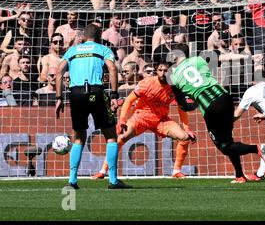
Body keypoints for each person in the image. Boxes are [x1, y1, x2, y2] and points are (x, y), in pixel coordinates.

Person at [169, 43, 265, 183]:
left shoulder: (173, 77)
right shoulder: (198, 59)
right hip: (225, 98)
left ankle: (258, 149)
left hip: (211, 108)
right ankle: (239, 175)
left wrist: (196, 103)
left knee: (224, 146)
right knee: (228, 140)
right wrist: (250, 57)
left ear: (175, 55)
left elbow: (183, 105)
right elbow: (225, 57)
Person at [55, 23, 131, 190]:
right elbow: (111, 67)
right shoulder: (103, 49)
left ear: (83, 36)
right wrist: (114, 94)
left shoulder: (73, 50)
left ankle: (72, 180)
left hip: (75, 94)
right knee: (111, 135)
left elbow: (59, 71)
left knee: (78, 137)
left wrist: (59, 97)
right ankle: (112, 180)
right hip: (96, 91)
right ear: (99, 36)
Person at [93, 60, 197, 179]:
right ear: (156, 71)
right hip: (140, 117)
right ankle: (103, 171)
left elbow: (182, 107)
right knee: (120, 138)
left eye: (166, 71)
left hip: (161, 120)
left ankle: (176, 171)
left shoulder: (175, 87)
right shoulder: (146, 83)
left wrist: (187, 128)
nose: (163, 73)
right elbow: (129, 100)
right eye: (160, 70)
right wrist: (122, 119)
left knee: (184, 138)